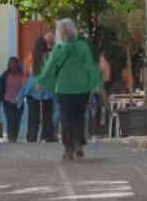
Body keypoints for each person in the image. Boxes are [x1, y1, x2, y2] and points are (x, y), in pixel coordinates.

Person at [33, 19, 103, 160]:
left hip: (64, 88)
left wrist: (40, 81)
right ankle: (79, 144)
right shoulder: (82, 47)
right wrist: (96, 83)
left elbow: (49, 66)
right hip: (82, 88)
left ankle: (68, 148)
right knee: (79, 117)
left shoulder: (58, 49)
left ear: (60, 32)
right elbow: (90, 66)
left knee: (66, 118)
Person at [23, 37, 57, 142]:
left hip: (32, 87)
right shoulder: (49, 56)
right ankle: (47, 136)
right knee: (48, 113)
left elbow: (26, 72)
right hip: (47, 86)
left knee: (33, 115)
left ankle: (31, 137)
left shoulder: (30, 56)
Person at [0, 55, 29, 142]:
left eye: (15, 64)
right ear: (8, 65)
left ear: (18, 65)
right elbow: (1, 91)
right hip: (7, 103)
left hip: (19, 103)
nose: (13, 66)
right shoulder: (5, 76)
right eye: (11, 64)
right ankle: (11, 138)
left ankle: (15, 138)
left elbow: (27, 88)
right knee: (10, 121)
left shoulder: (22, 75)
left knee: (17, 122)